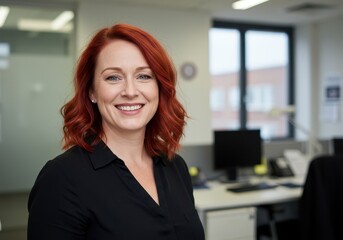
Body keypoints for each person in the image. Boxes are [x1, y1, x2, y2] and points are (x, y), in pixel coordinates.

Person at [27, 23, 205, 240]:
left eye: (144, 76)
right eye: (113, 77)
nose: (130, 91)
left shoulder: (175, 166)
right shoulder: (62, 178)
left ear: (159, 87)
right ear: (92, 90)